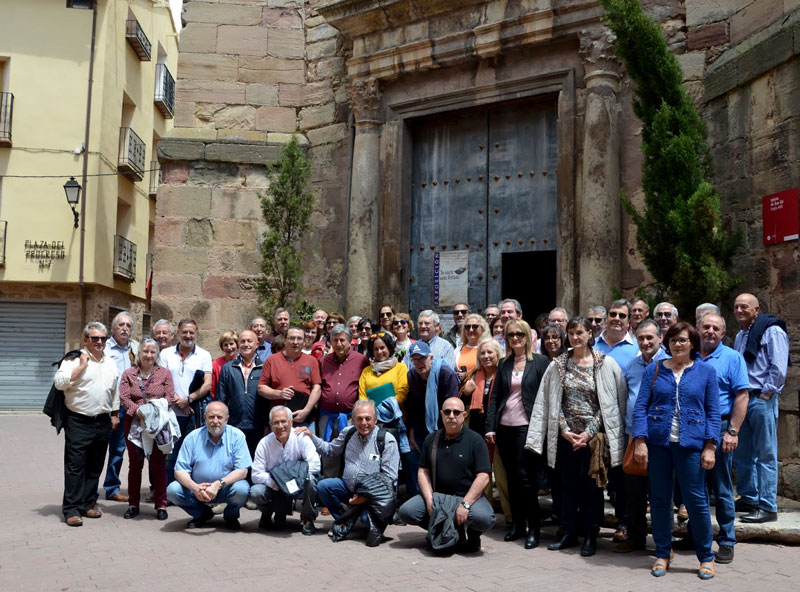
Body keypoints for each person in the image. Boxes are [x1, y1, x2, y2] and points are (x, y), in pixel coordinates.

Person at [527, 317, 626, 558]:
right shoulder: (558, 364)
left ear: (590, 334)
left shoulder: (605, 363)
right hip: (566, 439)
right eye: (571, 333)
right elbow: (550, 400)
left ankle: (591, 535)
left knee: (592, 488)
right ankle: (569, 532)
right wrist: (564, 429)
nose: (575, 337)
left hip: (594, 439)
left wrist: (589, 432)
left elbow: (612, 402)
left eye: (580, 332)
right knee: (566, 487)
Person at [632, 322, 719, 579]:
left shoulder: (706, 372)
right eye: (672, 340)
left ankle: (706, 556)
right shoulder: (654, 369)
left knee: (696, 502)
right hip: (659, 445)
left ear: (692, 343)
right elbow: (640, 407)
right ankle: (662, 552)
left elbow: (713, 412)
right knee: (659, 500)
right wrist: (640, 441)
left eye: (682, 340)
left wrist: (710, 446)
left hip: (691, 446)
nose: (677, 344)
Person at [672, 313, 749, 564]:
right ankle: (695, 535)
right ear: (697, 329)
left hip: (720, 430)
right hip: (690, 430)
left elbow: (741, 396)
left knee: (722, 488)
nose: (710, 332)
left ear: (723, 333)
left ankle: (726, 540)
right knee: (694, 488)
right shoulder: (687, 356)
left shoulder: (732, 358)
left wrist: (733, 431)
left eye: (716, 328)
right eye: (706, 327)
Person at [398, 397, 495, 552]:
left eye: (456, 412)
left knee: (484, 518)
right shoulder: (431, 439)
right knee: (406, 511)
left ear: (465, 414)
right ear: (441, 414)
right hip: (439, 497)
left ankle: (472, 534)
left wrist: (466, 504)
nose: (451, 415)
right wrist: (430, 500)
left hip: (467, 498)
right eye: (447, 412)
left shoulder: (476, 440)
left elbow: (483, 476)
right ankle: (441, 528)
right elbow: (423, 471)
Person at [485, 319, 549, 549]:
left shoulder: (540, 362)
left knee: (526, 479)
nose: (515, 339)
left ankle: (534, 528)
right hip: (505, 427)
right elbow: (495, 397)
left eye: (519, 334)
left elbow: (546, 396)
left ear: (527, 336)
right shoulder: (504, 363)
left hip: (527, 427)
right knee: (511, 479)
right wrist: (490, 426)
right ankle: (517, 525)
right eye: (511, 335)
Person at [300, 399, 400, 547]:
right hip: (348, 488)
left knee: (366, 521)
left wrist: (364, 497)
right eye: (359, 419)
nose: (364, 423)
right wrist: (311, 436)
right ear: (353, 420)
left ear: (376, 419)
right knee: (323, 486)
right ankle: (345, 521)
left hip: (373, 497)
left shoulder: (386, 439)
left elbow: (389, 478)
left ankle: (355, 522)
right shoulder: (348, 433)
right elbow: (329, 450)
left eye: (368, 418)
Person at [54, 322, 119, 527]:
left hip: (102, 421)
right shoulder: (74, 359)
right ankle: (71, 509)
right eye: (95, 338)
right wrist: (81, 367)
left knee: (95, 466)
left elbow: (114, 390)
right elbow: (59, 382)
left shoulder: (110, 362)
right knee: (75, 467)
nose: (99, 342)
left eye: (103, 338)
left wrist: (115, 414)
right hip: (78, 420)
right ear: (86, 339)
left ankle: (88, 503)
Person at [732, 293, 789, 524]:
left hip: (762, 399)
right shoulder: (740, 335)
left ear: (757, 309)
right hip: (743, 398)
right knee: (743, 452)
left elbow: (779, 366)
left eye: (744, 307)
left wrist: (767, 392)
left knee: (765, 453)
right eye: (736, 307)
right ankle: (749, 497)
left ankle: (767, 506)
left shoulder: (772, 331)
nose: (739, 310)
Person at [615, 319, 668, 553]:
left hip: (660, 439)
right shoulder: (632, 366)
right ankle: (636, 539)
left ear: (660, 338)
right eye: (641, 338)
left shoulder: (670, 363)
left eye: (650, 338)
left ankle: (662, 543)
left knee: (660, 494)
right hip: (634, 437)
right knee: (634, 493)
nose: (645, 342)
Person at [167, 401, 252, 530]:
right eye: (211, 417)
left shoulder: (237, 436)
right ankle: (201, 514)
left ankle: (231, 516)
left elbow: (242, 470)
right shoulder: (192, 437)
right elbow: (179, 471)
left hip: (225, 487)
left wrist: (218, 484)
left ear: (227, 419)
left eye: (219, 417)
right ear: (205, 418)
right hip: (198, 489)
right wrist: (194, 487)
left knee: (242, 490)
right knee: (173, 490)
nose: (215, 421)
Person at [119, 337, 176, 521]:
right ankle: (133, 504)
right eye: (145, 351)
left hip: (157, 423)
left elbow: (169, 397)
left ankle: (161, 504)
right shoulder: (128, 374)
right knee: (135, 464)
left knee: (158, 464)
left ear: (157, 354)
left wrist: (155, 408)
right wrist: (140, 411)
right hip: (134, 423)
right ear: (139, 353)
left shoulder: (164, 373)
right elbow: (124, 398)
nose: (149, 355)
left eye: (152, 352)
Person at [249, 406, 320, 534]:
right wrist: (277, 483)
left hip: (298, 483)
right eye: (275, 422)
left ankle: (307, 518)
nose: (280, 426)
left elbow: (315, 465)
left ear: (291, 422)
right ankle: (267, 513)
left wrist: (293, 478)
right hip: (275, 486)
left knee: (311, 480)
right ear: (270, 425)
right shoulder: (264, 443)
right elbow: (256, 474)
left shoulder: (301, 437)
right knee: (256, 492)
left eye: (283, 421)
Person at [158, 318, 213, 482]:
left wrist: (188, 399)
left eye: (191, 332)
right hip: (169, 413)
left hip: (193, 413)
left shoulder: (204, 355)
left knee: (190, 453)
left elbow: (208, 383)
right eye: (184, 332)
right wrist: (179, 402)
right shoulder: (165, 354)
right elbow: (162, 380)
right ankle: (167, 490)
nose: (188, 335)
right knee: (169, 453)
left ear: (196, 334)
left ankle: (187, 488)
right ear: (178, 334)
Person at [403, 341, 460, 496]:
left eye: (422, 358)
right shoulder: (412, 375)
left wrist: (444, 437)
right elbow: (412, 408)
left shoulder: (445, 373)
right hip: (422, 428)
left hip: (445, 427)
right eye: (415, 360)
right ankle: (417, 499)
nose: (419, 363)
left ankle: (441, 498)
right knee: (411, 458)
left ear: (431, 358)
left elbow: (451, 410)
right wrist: (411, 435)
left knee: (440, 462)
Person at [318, 324, 370, 476]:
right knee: (328, 452)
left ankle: (349, 486)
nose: (339, 344)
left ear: (350, 341)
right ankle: (327, 485)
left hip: (350, 418)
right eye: (335, 340)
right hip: (327, 416)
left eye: (342, 340)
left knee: (352, 452)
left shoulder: (361, 360)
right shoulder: (323, 361)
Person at [102, 311, 139, 503]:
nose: (125, 329)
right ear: (113, 328)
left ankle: (112, 487)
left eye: (128, 326)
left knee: (118, 449)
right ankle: (89, 491)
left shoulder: (135, 348)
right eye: (121, 325)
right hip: (107, 407)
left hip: (128, 407)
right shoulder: (105, 348)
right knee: (98, 449)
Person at [258, 326, 322, 431]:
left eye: (299, 338)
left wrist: (306, 411)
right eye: (292, 338)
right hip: (279, 421)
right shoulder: (272, 360)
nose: (295, 342)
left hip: (304, 419)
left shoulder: (311, 361)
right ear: (285, 340)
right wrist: (279, 394)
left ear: (304, 341)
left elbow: (317, 388)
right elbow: (261, 388)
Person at [217, 329, 266, 458]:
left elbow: (268, 400)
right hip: (234, 424)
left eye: (249, 341)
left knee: (256, 461)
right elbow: (221, 398)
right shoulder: (228, 368)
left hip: (257, 425)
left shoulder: (265, 368)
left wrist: (267, 424)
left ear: (257, 344)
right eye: (242, 341)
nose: (246, 344)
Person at [358, 331, 409, 406]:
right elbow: (362, 396)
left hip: (394, 413)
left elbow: (403, 391)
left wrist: (387, 408)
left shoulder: (401, 367)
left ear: (389, 348)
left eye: (382, 348)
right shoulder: (366, 371)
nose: (379, 352)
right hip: (372, 415)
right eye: (376, 349)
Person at [453, 314, 489, 381]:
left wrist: (467, 375)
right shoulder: (458, 350)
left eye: (475, 326)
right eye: (467, 327)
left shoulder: (489, 348)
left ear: (483, 329)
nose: (471, 330)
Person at [211, 330, 238, 398]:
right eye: (225, 345)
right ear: (222, 347)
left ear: (237, 345)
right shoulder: (215, 364)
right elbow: (212, 389)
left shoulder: (243, 362)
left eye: (231, 344)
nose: (229, 348)